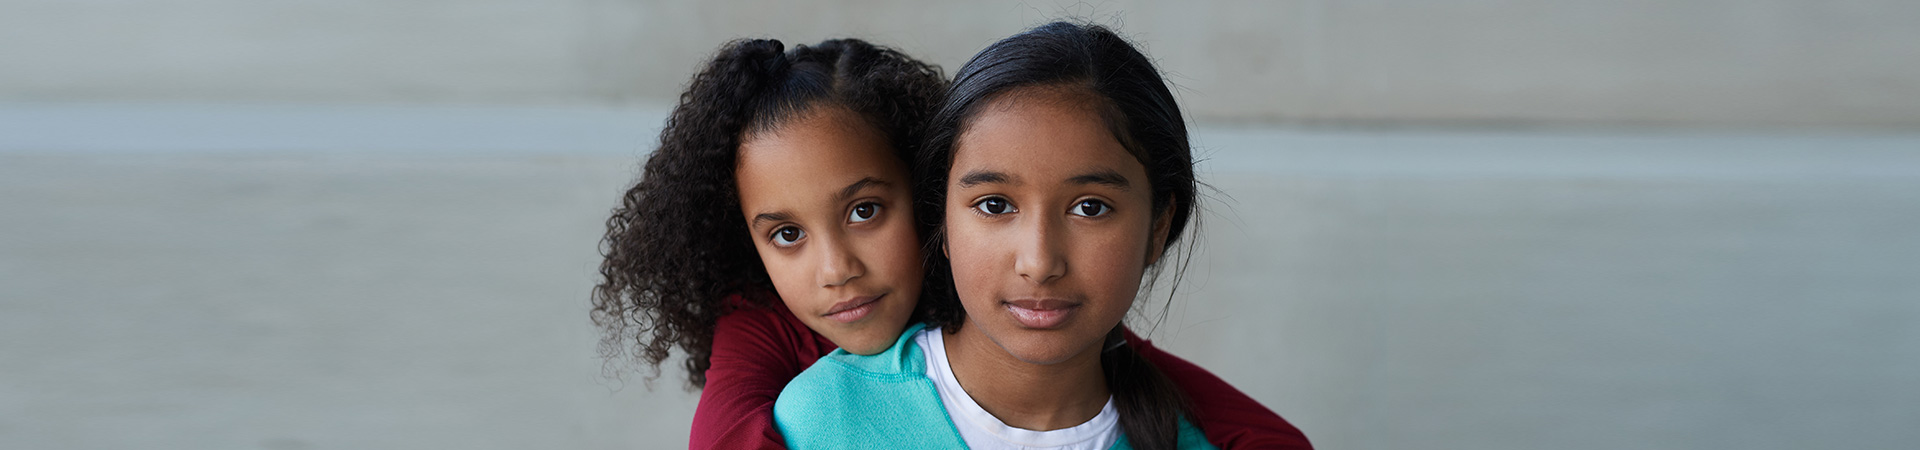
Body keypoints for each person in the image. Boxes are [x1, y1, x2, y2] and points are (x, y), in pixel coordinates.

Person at [593, 35, 1306, 450]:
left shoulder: (1081, 340)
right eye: (786, 234)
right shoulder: (779, 361)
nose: (836, 268)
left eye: (867, 211)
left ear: (927, 202)